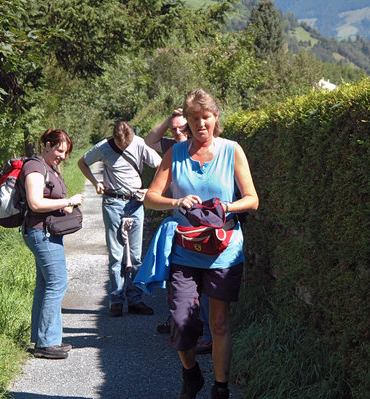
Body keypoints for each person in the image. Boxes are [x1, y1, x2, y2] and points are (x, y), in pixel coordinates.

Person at [143, 89, 259, 399]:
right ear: (187, 121)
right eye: (194, 119)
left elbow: (252, 199)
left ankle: (220, 389)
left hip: (224, 251)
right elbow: (150, 198)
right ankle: (191, 374)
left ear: (216, 118)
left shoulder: (232, 151)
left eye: (205, 117)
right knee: (182, 321)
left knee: (219, 323)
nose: (200, 124)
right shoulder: (175, 154)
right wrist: (176, 200)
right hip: (185, 249)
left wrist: (225, 206)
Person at [145, 109, 214, 356]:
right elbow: (149, 140)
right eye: (174, 129)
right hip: (180, 223)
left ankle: (206, 334)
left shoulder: (210, 151)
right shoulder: (173, 150)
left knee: (205, 287)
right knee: (178, 283)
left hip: (207, 228)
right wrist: (169, 118)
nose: (177, 132)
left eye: (181, 128)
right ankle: (180, 325)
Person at [78, 121, 162, 317]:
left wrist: (150, 189)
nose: (124, 147)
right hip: (112, 203)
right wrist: (95, 182)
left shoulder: (140, 143)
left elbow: (160, 165)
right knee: (116, 255)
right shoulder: (103, 147)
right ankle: (116, 300)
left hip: (135, 203)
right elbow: (82, 162)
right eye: (121, 145)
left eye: (127, 145)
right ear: (113, 139)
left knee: (135, 255)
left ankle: (135, 300)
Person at [21, 129, 84, 360]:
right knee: (57, 284)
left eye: (66, 152)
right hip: (41, 234)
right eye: (59, 150)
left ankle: (44, 339)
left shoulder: (49, 168)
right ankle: (46, 343)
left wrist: (64, 206)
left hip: (48, 232)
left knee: (44, 285)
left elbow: (49, 199)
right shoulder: (35, 167)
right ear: (47, 145)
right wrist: (68, 200)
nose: (62, 156)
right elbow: (35, 203)